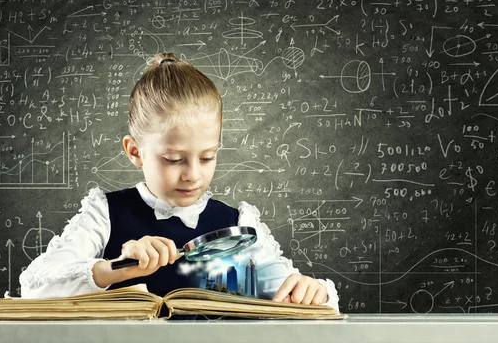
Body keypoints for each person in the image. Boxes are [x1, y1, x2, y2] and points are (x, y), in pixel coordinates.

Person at [19, 52, 340, 312]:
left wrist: (314, 292)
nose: (193, 175)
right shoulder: (105, 212)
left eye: (207, 157)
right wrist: (114, 268)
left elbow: (295, 296)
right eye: (173, 159)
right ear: (135, 151)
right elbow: (34, 285)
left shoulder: (239, 223)